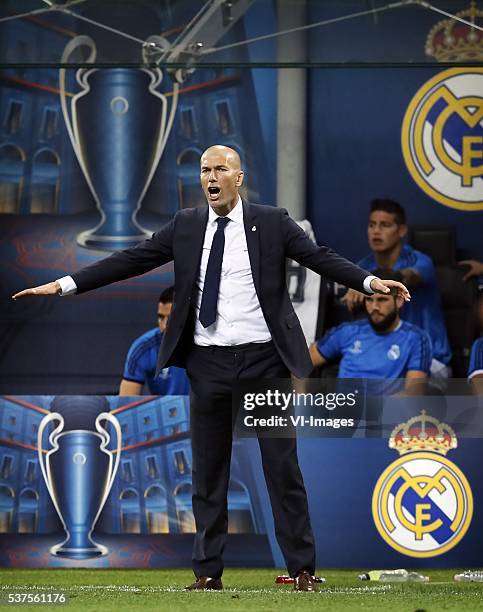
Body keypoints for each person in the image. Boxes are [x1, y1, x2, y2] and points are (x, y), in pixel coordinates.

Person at [12, 145, 410, 592]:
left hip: (264, 361)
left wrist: (370, 282)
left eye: (220, 168)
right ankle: (207, 573)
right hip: (207, 362)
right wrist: (65, 284)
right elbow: (129, 261)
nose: (211, 176)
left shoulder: (272, 221)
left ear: (238, 178)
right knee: (208, 472)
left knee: (282, 469)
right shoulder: (185, 225)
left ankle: (301, 569)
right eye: (205, 169)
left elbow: (320, 258)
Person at [342, 198, 451, 377]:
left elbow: (411, 276)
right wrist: (354, 284)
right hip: (387, 355)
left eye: (384, 225)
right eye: (371, 225)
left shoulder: (420, 261)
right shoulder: (362, 266)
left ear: (401, 230)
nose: (376, 231)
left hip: (431, 359)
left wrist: (365, 283)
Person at [310, 271, 431, 394]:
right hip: (342, 408)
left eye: (382, 300)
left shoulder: (416, 338)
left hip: (386, 411)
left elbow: (414, 393)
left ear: (399, 301)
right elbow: (302, 362)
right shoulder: (348, 331)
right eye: (369, 300)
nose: (374, 307)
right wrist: (301, 401)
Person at [119, 286, 190, 396]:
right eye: (161, 317)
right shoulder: (143, 349)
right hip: (165, 412)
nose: (164, 325)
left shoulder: (209, 347)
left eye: (171, 318)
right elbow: (126, 403)